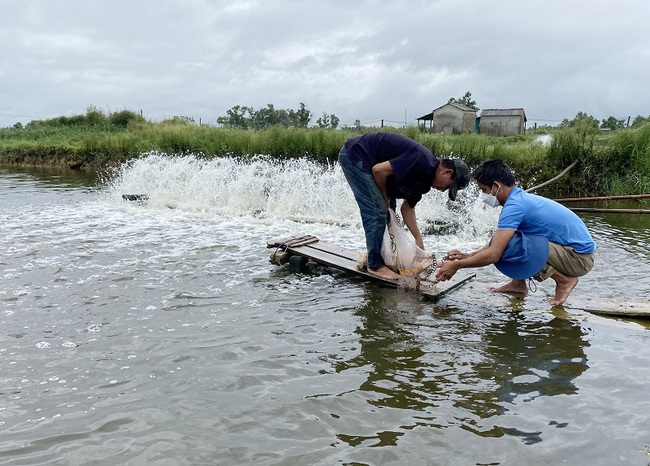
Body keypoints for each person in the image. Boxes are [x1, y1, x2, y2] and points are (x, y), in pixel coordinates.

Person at [435, 159, 596, 306]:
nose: (483, 196)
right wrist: (469, 255)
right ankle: (518, 284)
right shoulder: (518, 199)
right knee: (511, 240)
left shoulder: (514, 207)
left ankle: (564, 280)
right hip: (573, 253)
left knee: (512, 245)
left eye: (484, 190)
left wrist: (456, 265)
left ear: (497, 187)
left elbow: (494, 254)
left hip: (578, 258)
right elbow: (497, 241)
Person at [339, 132, 470, 280]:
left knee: (390, 215)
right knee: (378, 211)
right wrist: (385, 199)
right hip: (356, 155)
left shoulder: (425, 183)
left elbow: (407, 208)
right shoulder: (422, 160)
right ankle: (375, 265)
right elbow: (378, 171)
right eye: (448, 186)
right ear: (447, 172)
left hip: (373, 166)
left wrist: (418, 238)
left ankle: (382, 258)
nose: (444, 190)